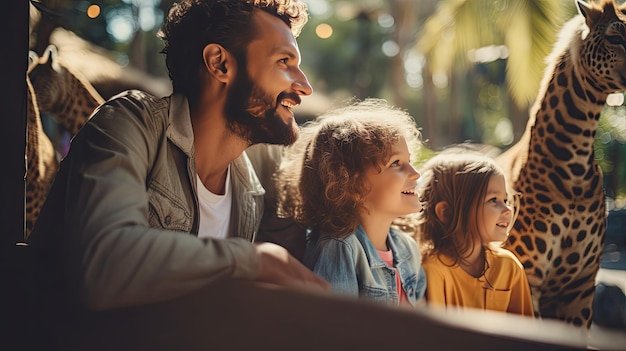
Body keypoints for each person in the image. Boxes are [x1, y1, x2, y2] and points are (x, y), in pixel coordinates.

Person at [27, 0, 329, 332]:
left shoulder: (255, 174)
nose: (304, 86)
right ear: (220, 63)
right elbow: (105, 266)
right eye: (284, 61)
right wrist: (252, 259)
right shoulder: (130, 122)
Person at [276, 98, 427, 307]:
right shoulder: (339, 249)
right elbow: (337, 330)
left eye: (409, 162)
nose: (415, 173)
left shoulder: (407, 248)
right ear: (351, 184)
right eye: (396, 164)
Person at [415, 152, 534, 316]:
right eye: (493, 200)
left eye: (505, 201)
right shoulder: (433, 270)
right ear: (446, 213)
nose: (507, 210)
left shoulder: (509, 267)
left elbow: (526, 335)